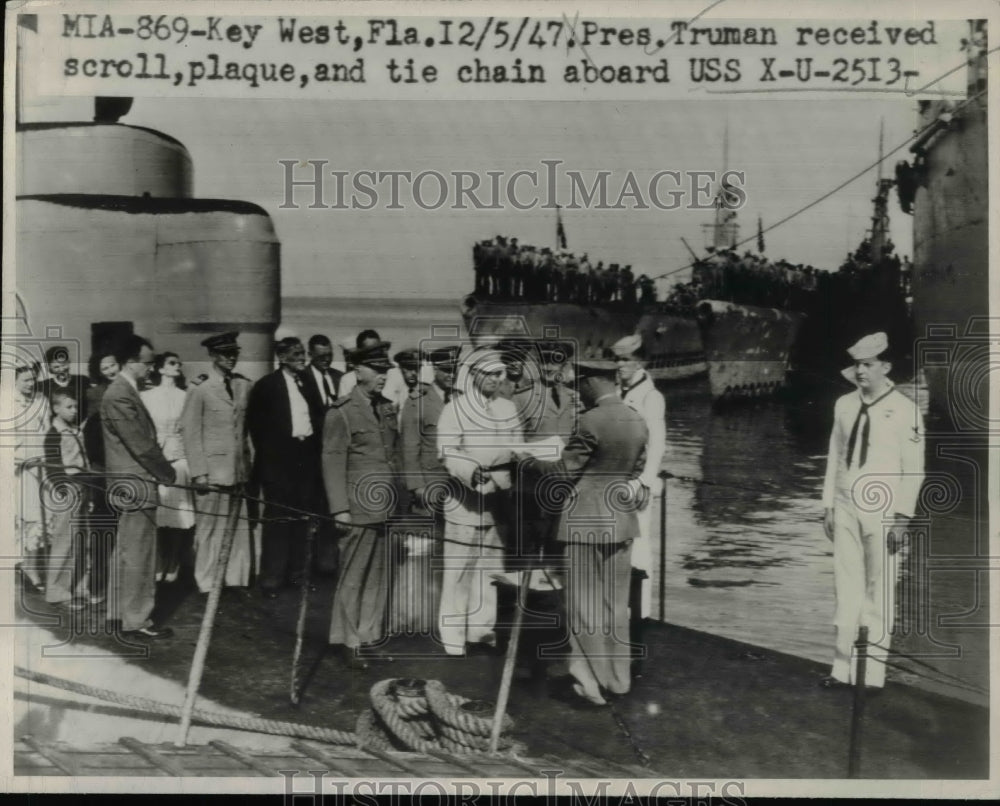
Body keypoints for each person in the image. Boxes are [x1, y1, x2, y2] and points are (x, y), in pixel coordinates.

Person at [517, 359, 648, 707]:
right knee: (617, 606)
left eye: (581, 383)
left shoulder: (590, 420)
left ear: (592, 383)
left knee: (584, 604)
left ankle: (589, 681)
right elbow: (637, 468)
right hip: (621, 519)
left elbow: (563, 471)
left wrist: (527, 459)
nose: (577, 389)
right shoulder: (636, 418)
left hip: (584, 522)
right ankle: (618, 680)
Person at [820, 332, 924, 691]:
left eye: (868, 365)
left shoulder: (906, 411)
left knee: (879, 593)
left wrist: (902, 519)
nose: (860, 371)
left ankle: (872, 675)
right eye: (857, 365)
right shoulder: (844, 405)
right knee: (845, 586)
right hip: (846, 504)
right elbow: (835, 456)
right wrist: (829, 505)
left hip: (882, 510)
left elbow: (914, 468)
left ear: (886, 366)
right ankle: (841, 668)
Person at [436, 347, 522, 656]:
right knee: (458, 570)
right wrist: (473, 472)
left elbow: (515, 447)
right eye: (490, 374)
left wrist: (502, 470)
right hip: (464, 502)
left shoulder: (508, 409)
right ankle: (453, 635)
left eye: (500, 374)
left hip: (498, 500)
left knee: (490, 569)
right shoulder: (455, 409)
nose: (496, 379)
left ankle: (482, 631)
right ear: (474, 375)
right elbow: (448, 452)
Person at [322, 340, 402, 666]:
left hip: (384, 505)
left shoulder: (385, 407)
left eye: (385, 370)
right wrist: (339, 507)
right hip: (356, 506)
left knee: (378, 576)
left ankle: (369, 636)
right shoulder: (341, 412)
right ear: (357, 370)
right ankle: (348, 639)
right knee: (353, 575)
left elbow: (391, 457)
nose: (383, 376)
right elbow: (331, 461)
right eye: (377, 369)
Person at [101, 335, 177, 639]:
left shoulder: (123, 391)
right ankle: (137, 620)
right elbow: (142, 446)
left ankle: (118, 615)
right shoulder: (120, 394)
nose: (151, 369)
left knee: (126, 551)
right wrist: (168, 474)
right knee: (140, 555)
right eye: (147, 363)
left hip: (128, 483)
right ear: (131, 362)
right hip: (136, 484)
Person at [179, 332, 256, 594]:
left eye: (234, 353)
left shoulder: (244, 386)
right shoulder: (199, 388)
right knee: (210, 527)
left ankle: (235, 578)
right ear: (212, 355)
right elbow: (190, 432)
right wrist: (199, 472)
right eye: (225, 353)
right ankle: (207, 581)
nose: (231, 358)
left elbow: (247, 431)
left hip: (239, 469)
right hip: (212, 472)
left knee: (239, 526)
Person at [246, 337, 323, 599]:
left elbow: (316, 419)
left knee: (302, 517)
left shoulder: (308, 384)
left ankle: (298, 575)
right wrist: (272, 460)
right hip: (278, 462)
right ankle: (272, 579)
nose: (302, 358)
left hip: (305, 459)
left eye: (303, 353)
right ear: (281, 358)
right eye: (296, 354)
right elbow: (256, 428)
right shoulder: (267, 386)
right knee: (278, 519)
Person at [394, 345, 460, 633]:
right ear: (435, 370)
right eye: (446, 370)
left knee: (446, 551)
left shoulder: (458, 399)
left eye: (454, 370)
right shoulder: (418, 401)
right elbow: (409, 449)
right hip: (428, 487)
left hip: (455, 488)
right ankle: (411, 615)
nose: (451, 375)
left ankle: (437, 615)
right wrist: (417, 487)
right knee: (419, 552)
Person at [610, 334, 666, 621]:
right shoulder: (618, 391)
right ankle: (619, 608)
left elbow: (657, 443)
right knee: (616, 546)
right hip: (616, 480)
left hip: (636, 482)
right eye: (617, 359)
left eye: (626, 360)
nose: (620, 365)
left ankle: (641, 613)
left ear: (641, 362)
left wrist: (646, 481)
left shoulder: (650, 397)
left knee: (640, 548)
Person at [141, 352, 196, 584]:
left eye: (178, 363)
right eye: (172, 363)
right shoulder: (147, 397)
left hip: (180, 460)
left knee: (178, 517)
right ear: (160, 368)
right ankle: (159, 562)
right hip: (157, 460)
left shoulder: (186, 396)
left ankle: (173, 562)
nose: (177, 366)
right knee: (158, 516)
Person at [42, 389, 90, 609]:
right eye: (69, 407)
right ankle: (57, 592)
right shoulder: (54, 433)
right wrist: (63, 489)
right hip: (68, 489)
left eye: (75, 406)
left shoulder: (74, 429)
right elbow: (53, 466)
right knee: (64, 541)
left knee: (81, 540)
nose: (74, 410)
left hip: (82, 486)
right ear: (56, 409)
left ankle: (78, 586)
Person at [11, 364, 51, 593]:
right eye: (25, 380)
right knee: (27, 517)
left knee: (42, 518)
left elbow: (46, 431)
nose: (30, 384)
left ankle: (34, 565)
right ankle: (29, 568)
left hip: (42, 464)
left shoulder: (41, 400)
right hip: (20, 468)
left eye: (32, 379)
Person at [38, 345, 91, 422]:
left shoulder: (83, 381)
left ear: (69, 362)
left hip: (82, 428)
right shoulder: (43, 386)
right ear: (49, 368)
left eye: (64, 365)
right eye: (56, 367)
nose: (61, 369)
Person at [302, 334, 343, 411]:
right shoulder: (301, 378)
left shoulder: (340, 376)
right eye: (322, 356)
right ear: (310, 355)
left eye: (329, 355)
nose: (327, 359)